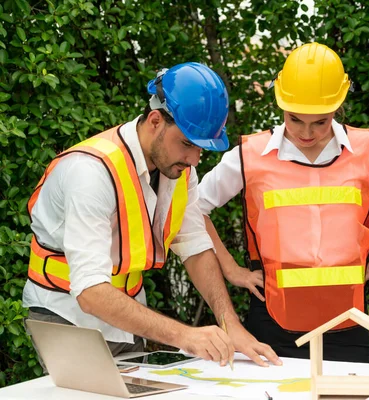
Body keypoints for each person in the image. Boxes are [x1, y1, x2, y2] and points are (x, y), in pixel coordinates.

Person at [23, 62, 280, 368]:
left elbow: (195, 246)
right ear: (156, 120)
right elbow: (90, 292)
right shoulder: (90, 172)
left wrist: (230, 324)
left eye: (201, 148)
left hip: (127, 318)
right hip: (66, 319)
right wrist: (186, 336)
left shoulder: (180, 168)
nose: (194, 158)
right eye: (187, 143)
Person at [197, 42, 369, 363]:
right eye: (295, 119)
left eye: (320, 121)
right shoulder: (251, 155)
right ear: (282, 106)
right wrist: (232, 269)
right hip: (271, 323)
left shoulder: (365, 150)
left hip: (349, 322)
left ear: (338, 106)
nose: (307, 132)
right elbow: (194, 207)